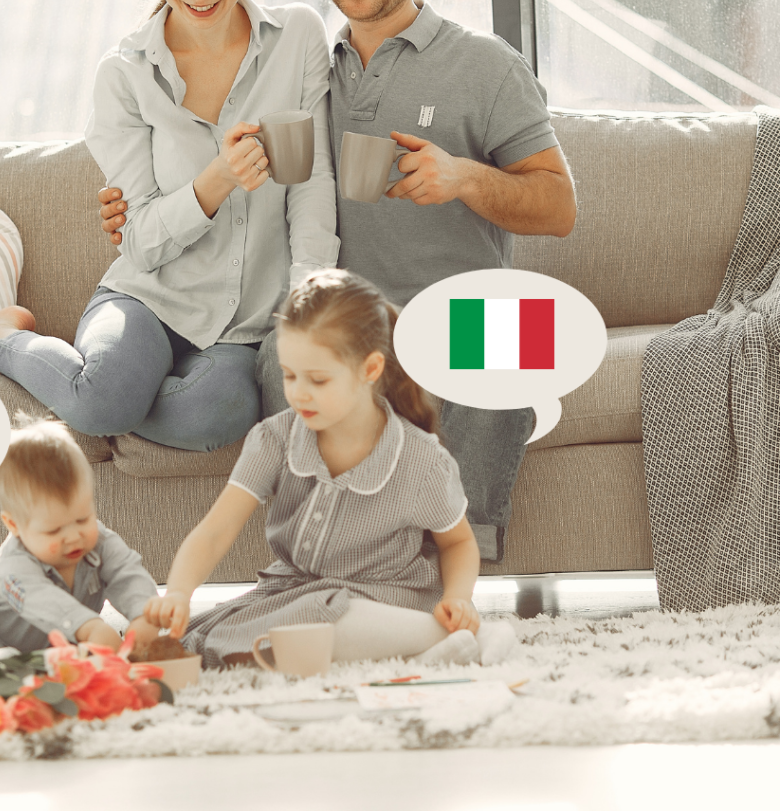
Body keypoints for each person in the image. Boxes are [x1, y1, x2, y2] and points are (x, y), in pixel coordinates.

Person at [100, 0, 577, 556]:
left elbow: (559, 206)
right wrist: (132, 203)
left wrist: (465, 177)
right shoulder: (312, 66)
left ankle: (452, 558)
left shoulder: (485, 66)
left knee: (506, 340)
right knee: (280, 355)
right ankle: (331, 556)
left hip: (454, 310)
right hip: (350, 317)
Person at [0, 0, 339, 452]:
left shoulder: (297, 36)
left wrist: (308, 294)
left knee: (217, 413)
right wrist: (216, 180)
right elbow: (142, 244)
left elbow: (311, 180)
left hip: (244, 322)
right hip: (147, 297)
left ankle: (82, 392)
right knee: (104, 401)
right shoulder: (126, 75)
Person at [143, 270, 517, 669]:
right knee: (210, 642)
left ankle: (461, 636)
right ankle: (428, 650)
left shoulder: (422, 459)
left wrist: (457, 598)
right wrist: (180, 592)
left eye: (318, 380)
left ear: (370, 370)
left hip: (388, 596)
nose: (298, 393)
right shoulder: (274, 438)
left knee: (326, 617)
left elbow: (457, 543)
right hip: (296, 595)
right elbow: (217, 529)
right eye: (289, 376)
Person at [0, 419, 161, 689]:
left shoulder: (101, 543)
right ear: (15, 526)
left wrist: (144, 614)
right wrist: (89, 626)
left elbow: (127, 574)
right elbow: (40, 599)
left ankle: (20, 670)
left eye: (83, 519)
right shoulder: (13, 565)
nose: (73, 536)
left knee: (78, 659)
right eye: (54, 529)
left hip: (46, 647)